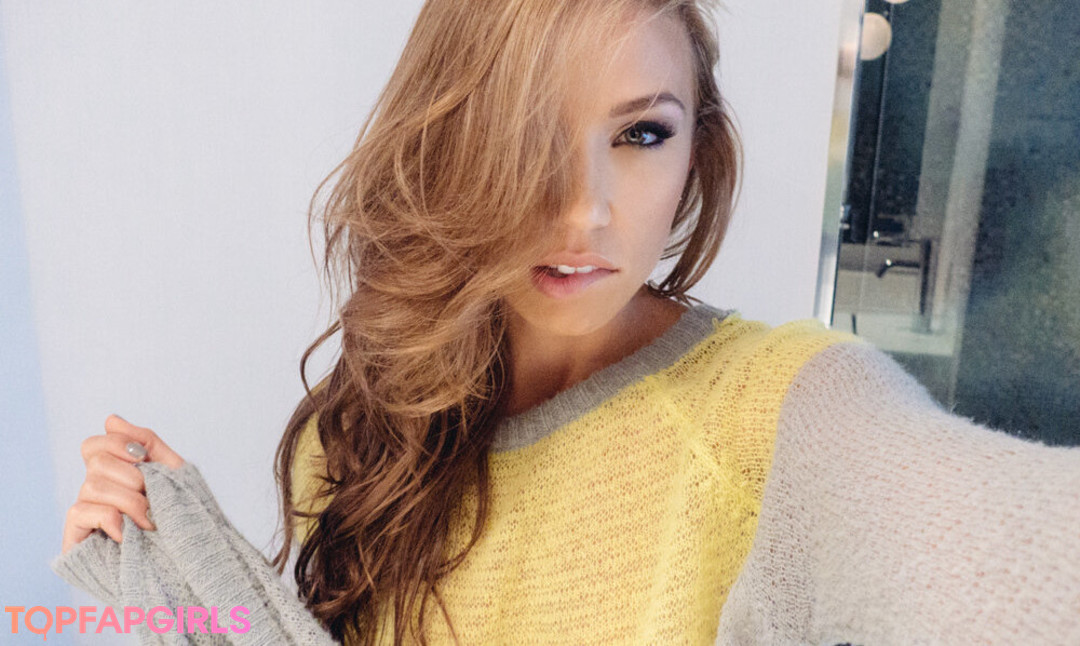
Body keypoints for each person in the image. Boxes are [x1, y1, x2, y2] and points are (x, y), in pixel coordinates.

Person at [58, 0, 1080, 644]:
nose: (584, 206)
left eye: (641, 133)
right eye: (529, 131)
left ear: (695, 152)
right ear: (450, 142)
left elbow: (1000, 550)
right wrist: (170, 572)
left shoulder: (778, 414)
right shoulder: (364, 427)